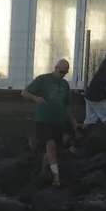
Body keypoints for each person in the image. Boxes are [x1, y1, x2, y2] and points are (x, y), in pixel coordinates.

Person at [22, 58, 78, 188]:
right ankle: (56, 178)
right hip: (43, 119)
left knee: (53, 150)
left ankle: (43, 172)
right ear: (55, 68)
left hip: (58, 121)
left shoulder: (65, 85)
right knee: (51, 145)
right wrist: (36, 98)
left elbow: (67, 106)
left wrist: (74, 122)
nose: (63, 74)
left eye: (65, 72)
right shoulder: (43, 79)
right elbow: (24, 93)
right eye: (61, 71)